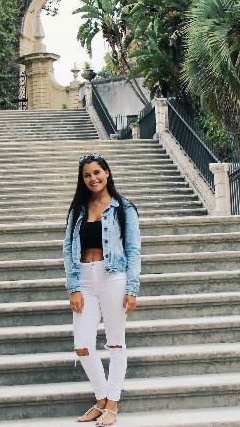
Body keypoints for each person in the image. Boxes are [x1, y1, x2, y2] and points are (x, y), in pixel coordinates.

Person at [63, 152, 141, 426]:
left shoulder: (124, 208)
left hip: (114, 279)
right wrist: (73, 286)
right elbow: (67, 249)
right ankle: (101, 398)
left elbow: (133, 251)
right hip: (84, 279)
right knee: (83, 345)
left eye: (97, 172)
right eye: (87, 175)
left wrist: (132, 289)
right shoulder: (78, 210)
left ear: (106, 173)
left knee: (116, 342)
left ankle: (112, 403)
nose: (92, 178)